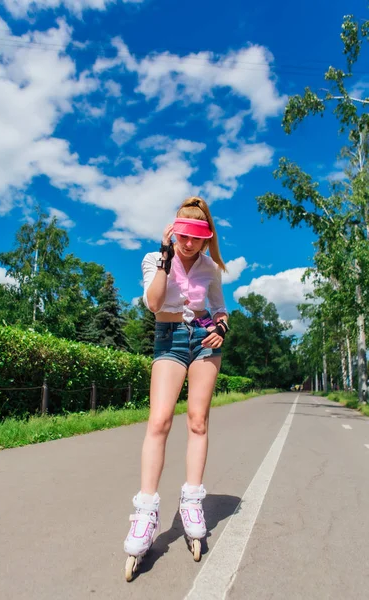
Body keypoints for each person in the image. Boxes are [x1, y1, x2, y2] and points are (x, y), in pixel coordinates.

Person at [124, 196, 229, 580]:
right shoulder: (155, 260)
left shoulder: (211, 269)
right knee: (160, 421)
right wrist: (165, 256)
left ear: (206, 238)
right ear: (175, 232)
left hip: (203, 341)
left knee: (198, 421)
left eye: (196, 238)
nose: (189, 243)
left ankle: (192, 502)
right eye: (183, 235)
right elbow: (154, 304)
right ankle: (146, 512)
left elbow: (219, 308)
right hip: (168, 338)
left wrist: (220, 327)